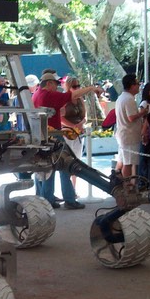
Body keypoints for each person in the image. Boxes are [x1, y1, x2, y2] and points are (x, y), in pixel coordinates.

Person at [33, 69, 102, 208]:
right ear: (49, 83)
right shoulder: (49, 95)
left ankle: (47, 199)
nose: (58, 86)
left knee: (47, 169)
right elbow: (73, 95)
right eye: (56, 83)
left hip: (41, 135)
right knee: (65, 165)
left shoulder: (36, 95)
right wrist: (92, 88)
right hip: (53, 136)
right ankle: (68, 199)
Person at [114, 73, 148, 179]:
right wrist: (143, 113)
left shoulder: (122, 97)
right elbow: (131, 117)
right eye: (137, 84)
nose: (139, 86)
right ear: (132, 85)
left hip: (125, 134)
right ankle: (127, 185)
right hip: (129, 135)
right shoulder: (129, 99)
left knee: (125, 161)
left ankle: (128, 184)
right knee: (127, 163)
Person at [61, 76, 87, 189]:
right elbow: (60, 117)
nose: (77, 88)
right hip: (68, 133)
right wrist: (73, 126)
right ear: (69, 87)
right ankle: (69, 189)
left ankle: (74, 188)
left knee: (77, 160)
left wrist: (81, 124)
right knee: (67, 160)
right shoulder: (64, 100)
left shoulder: (80, 99)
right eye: (74, 86)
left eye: (78, 86)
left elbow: (85, 115)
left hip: (79, 133)